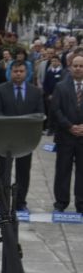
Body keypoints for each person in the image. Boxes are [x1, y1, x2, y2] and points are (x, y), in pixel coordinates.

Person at [0, 60, 45, 211]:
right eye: (15, 71)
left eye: (21, 71)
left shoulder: (35, 91)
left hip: (25, 139)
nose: (18, 74)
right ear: (10, 72)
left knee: (23, 171)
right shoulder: (0, 89)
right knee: (3, 172)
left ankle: (20, 202)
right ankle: (3, 201)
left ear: (26, 72)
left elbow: (39, 113)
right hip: (5, 139)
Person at [51, 55, 83, 213]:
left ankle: (81, 203)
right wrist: (70, 126)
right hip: (66, 136)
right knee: (63, 169)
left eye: (81, 66)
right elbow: (56, 110)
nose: (78, 69)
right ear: (70, 67)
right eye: (75, 66)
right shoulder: (61, 87)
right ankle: (61, 202)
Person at [43, 55, 67, 135]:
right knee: (50, 113)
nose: (54, 62)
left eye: (56, 61)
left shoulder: (62, 72)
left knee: (59, 113)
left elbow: (63, 85)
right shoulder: (48, 72)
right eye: (52, 61)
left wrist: (56, 95)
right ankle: (50, 128)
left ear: (59, 62)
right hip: (50, 97)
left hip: (59, 97)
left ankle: (57, 128)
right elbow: (45, 84)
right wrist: (48, 94)